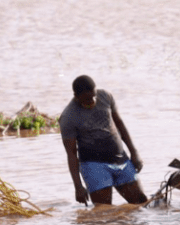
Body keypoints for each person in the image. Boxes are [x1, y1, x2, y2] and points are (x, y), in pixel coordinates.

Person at [60, 75, 147, 206]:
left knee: (141, 203)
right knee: (103, 213)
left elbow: (120, 124)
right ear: (76, 96)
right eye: (87, 100)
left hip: (121, 160)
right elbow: (71, 154)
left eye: (94, 96)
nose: (92, 101)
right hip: (94, 166)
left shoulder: (105, 96)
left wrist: (134, 153)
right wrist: (78, 187)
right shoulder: (68, 116)